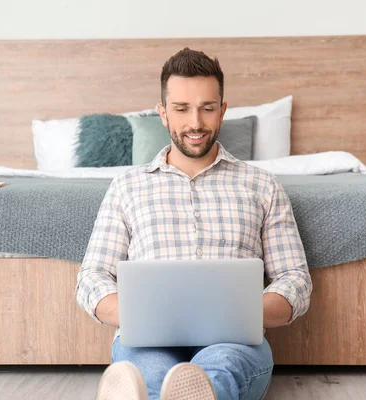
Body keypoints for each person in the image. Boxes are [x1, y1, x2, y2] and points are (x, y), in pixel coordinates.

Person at [75, 47, 312, 400]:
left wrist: (243, 312)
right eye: (181, 109)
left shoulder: (262, 185)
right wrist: (139, 313)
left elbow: (295, 279)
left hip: (231, 342)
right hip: (147, 342)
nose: (195, 123)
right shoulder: (127, 187)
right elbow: (91, 278)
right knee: (150, 372)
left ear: (223, 111)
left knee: (221, 371)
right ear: (163, 114)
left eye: (207, 108)